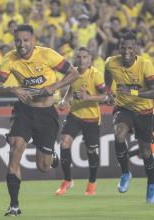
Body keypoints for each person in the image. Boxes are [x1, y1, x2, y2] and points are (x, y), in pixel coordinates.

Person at [0, 24, 79, 217]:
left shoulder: (47, 55)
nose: (21, 44)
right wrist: (12, 89)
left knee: (44, 167)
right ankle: (14, 205)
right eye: (18, 41)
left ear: (34, 40)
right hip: (24, 112)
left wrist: (54, 86)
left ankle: (51, 156)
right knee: (15, 147)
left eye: (25, 40)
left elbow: (74, 73)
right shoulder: (9, 59)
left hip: (46, 114)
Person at [104, 31, 154, 204]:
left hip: (144, 111)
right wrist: (108, 92)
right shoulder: (111, 62)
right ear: (119, 48)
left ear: (135, 48)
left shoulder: (146, 64)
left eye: (130, 48)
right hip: (124, 108)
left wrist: (132, 91)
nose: (126, 52)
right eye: (123, 48)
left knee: (146, 152)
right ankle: (125, 173)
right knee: (119, 133)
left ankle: (151, 183)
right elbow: (108, 74)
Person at [55, 47, 107, 196]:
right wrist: (64, 101)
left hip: (91, 118)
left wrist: (88, 98)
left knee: (91, 151)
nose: (81, 60)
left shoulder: (96, 75)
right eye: (79, 57)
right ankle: (67, 180)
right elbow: (71, 90)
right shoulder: (72, 73)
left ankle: (92, 182)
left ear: (90, 59)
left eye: (84, 57)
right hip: (75, 115)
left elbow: (106, 96)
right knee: (64, 142)